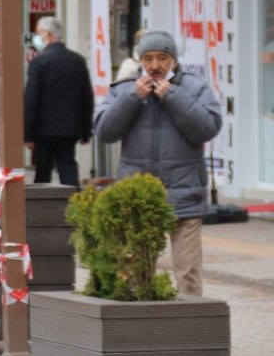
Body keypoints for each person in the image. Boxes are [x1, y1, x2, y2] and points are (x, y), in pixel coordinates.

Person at [93, 31, 222, 297]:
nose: (155, 65)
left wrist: (173, 96)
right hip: (139, 195)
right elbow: (104, 132)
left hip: (184, 194)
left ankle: (190, 329)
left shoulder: (195, 88)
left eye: (162, 58)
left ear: (173, 60)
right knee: (139, 270)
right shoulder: (123, 89)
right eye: (149, 58)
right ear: (140, 61)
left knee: (187, 271)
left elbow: (207, 129)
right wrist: (132, 98)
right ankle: (144, 329)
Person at [24, 17, 94, 188]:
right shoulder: (77, 61)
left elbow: (32, 100)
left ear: (48, 35)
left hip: (44, 130)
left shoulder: (39, 62)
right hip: (70, 128)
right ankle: (73, 206)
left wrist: (29, 134)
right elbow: (86, 97)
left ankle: (42, 210)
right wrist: (86, 130)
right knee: (67, 166)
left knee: (43, 172)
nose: (36, 38)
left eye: (39, 34)